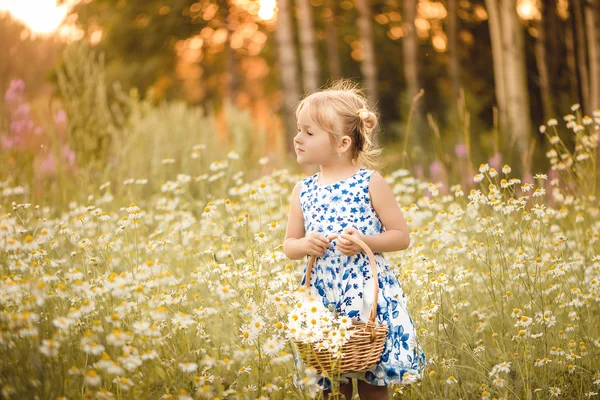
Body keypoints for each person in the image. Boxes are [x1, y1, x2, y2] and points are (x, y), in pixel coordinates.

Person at [283, 80, 427, 400]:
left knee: (371, 377)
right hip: (323, 294)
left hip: (365, 295)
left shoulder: (370, 182)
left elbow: (400, 236)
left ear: (342, 142)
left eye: (309, 132)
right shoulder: (303, 190)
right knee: (333, 381)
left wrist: (366, 240)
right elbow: (289, 245)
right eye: (298, 129)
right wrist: (305, 245)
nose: (297, 138)